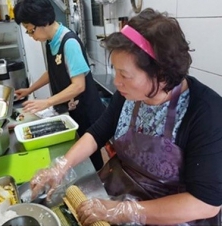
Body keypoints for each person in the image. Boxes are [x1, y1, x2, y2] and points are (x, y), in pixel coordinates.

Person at [28, 8, 222, 226]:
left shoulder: (206, 112)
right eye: (116, 71)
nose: (117, 82)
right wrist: (61, 166)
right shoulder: (129, 95)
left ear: (161, 73)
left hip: (171, 215)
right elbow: (98, 132)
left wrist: (126, 211)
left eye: (125, 75)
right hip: (120, 191)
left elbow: (206, 203)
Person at [13, 0, 105, 171]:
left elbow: (79, 86)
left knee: (91, 156)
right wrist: (29, 89)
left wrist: (47, 102)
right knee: (76, 153)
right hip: (70, 111)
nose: (31, 36)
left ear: (44, 21)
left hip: (86, 111)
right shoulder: (50, 41)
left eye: (31, 30)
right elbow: (52, 72)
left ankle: (99, 183)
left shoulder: (69, 43)